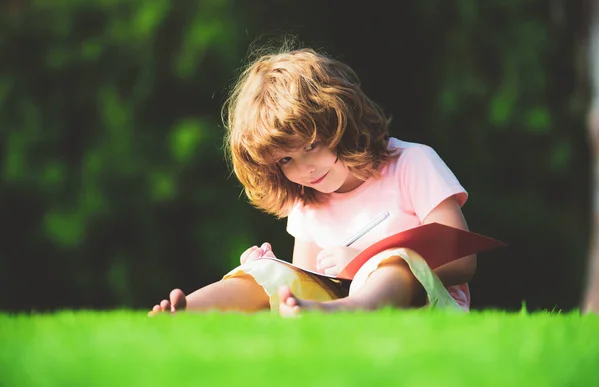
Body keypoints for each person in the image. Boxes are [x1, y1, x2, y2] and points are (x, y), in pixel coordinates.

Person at [149, 39, 477, 317]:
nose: (305, 168)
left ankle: (349, 311)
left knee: (398, 262)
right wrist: (277, 270)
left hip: (423, 308)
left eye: (312, 145)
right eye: (287, 159)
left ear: (341, 120)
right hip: (329, 307)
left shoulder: (413, 163)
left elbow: (462, 260)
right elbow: (311, 280)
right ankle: (190, 310)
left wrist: (368, 261)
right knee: (268, 273)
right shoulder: (306, 200)